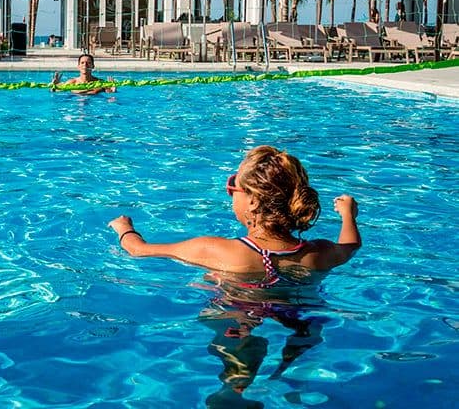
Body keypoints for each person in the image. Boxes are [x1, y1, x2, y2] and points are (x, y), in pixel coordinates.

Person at [108, 145, 361, 403]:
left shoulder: (219, 250)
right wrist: (348, 216)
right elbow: (351, 246)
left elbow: (138, 250)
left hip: (239, 311)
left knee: (223, 321)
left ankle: (236, 385)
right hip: (302, 315)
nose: (229, 193)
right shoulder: (318, 253)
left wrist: (123, 228)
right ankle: (285, 380)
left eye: (233, 186)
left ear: (252, 200)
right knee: (298, 351)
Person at [51, 53, 116, 95]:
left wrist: (113, 91)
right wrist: (54, 86)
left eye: (88, 63)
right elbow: (55, 93)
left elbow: (110, 98)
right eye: (82, 63)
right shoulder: (72, 83)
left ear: (93, 66)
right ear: (78, 66)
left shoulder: (100, 83)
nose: (85, 65)